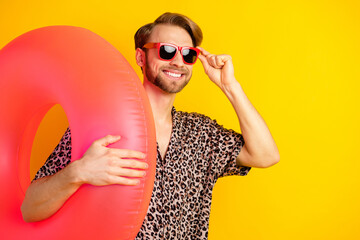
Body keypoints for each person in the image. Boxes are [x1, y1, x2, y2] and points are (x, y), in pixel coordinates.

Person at [21, 12, 280, 239]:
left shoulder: (201, 133)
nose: (178, 62)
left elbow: (266, 155)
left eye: (188, 54)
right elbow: (30, 209)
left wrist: (229, 86)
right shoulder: (102, 126)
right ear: (141, 57)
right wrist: (78, 173)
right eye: (167, 50)